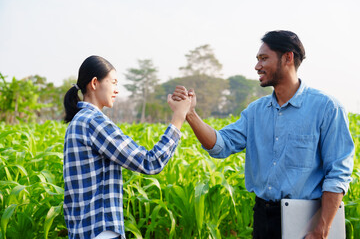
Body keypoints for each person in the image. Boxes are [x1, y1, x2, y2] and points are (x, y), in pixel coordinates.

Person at [172, 30, 354, 239]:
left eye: (263, 58)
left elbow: (338, 173)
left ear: (288, 57)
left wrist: (321, 230)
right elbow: (220, 146)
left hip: (306, 221)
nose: (257, 66)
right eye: (257, 59)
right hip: (263, 218)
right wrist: (190, 114)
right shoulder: (255, 112)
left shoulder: (327, 108)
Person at [63, 55, 191, 239]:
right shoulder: (94, 122)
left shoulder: (77, 122)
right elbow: (151, 162)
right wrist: (179, 116)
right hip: (101, 232)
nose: (117, 90)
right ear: (94, 83)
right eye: (113, 83)